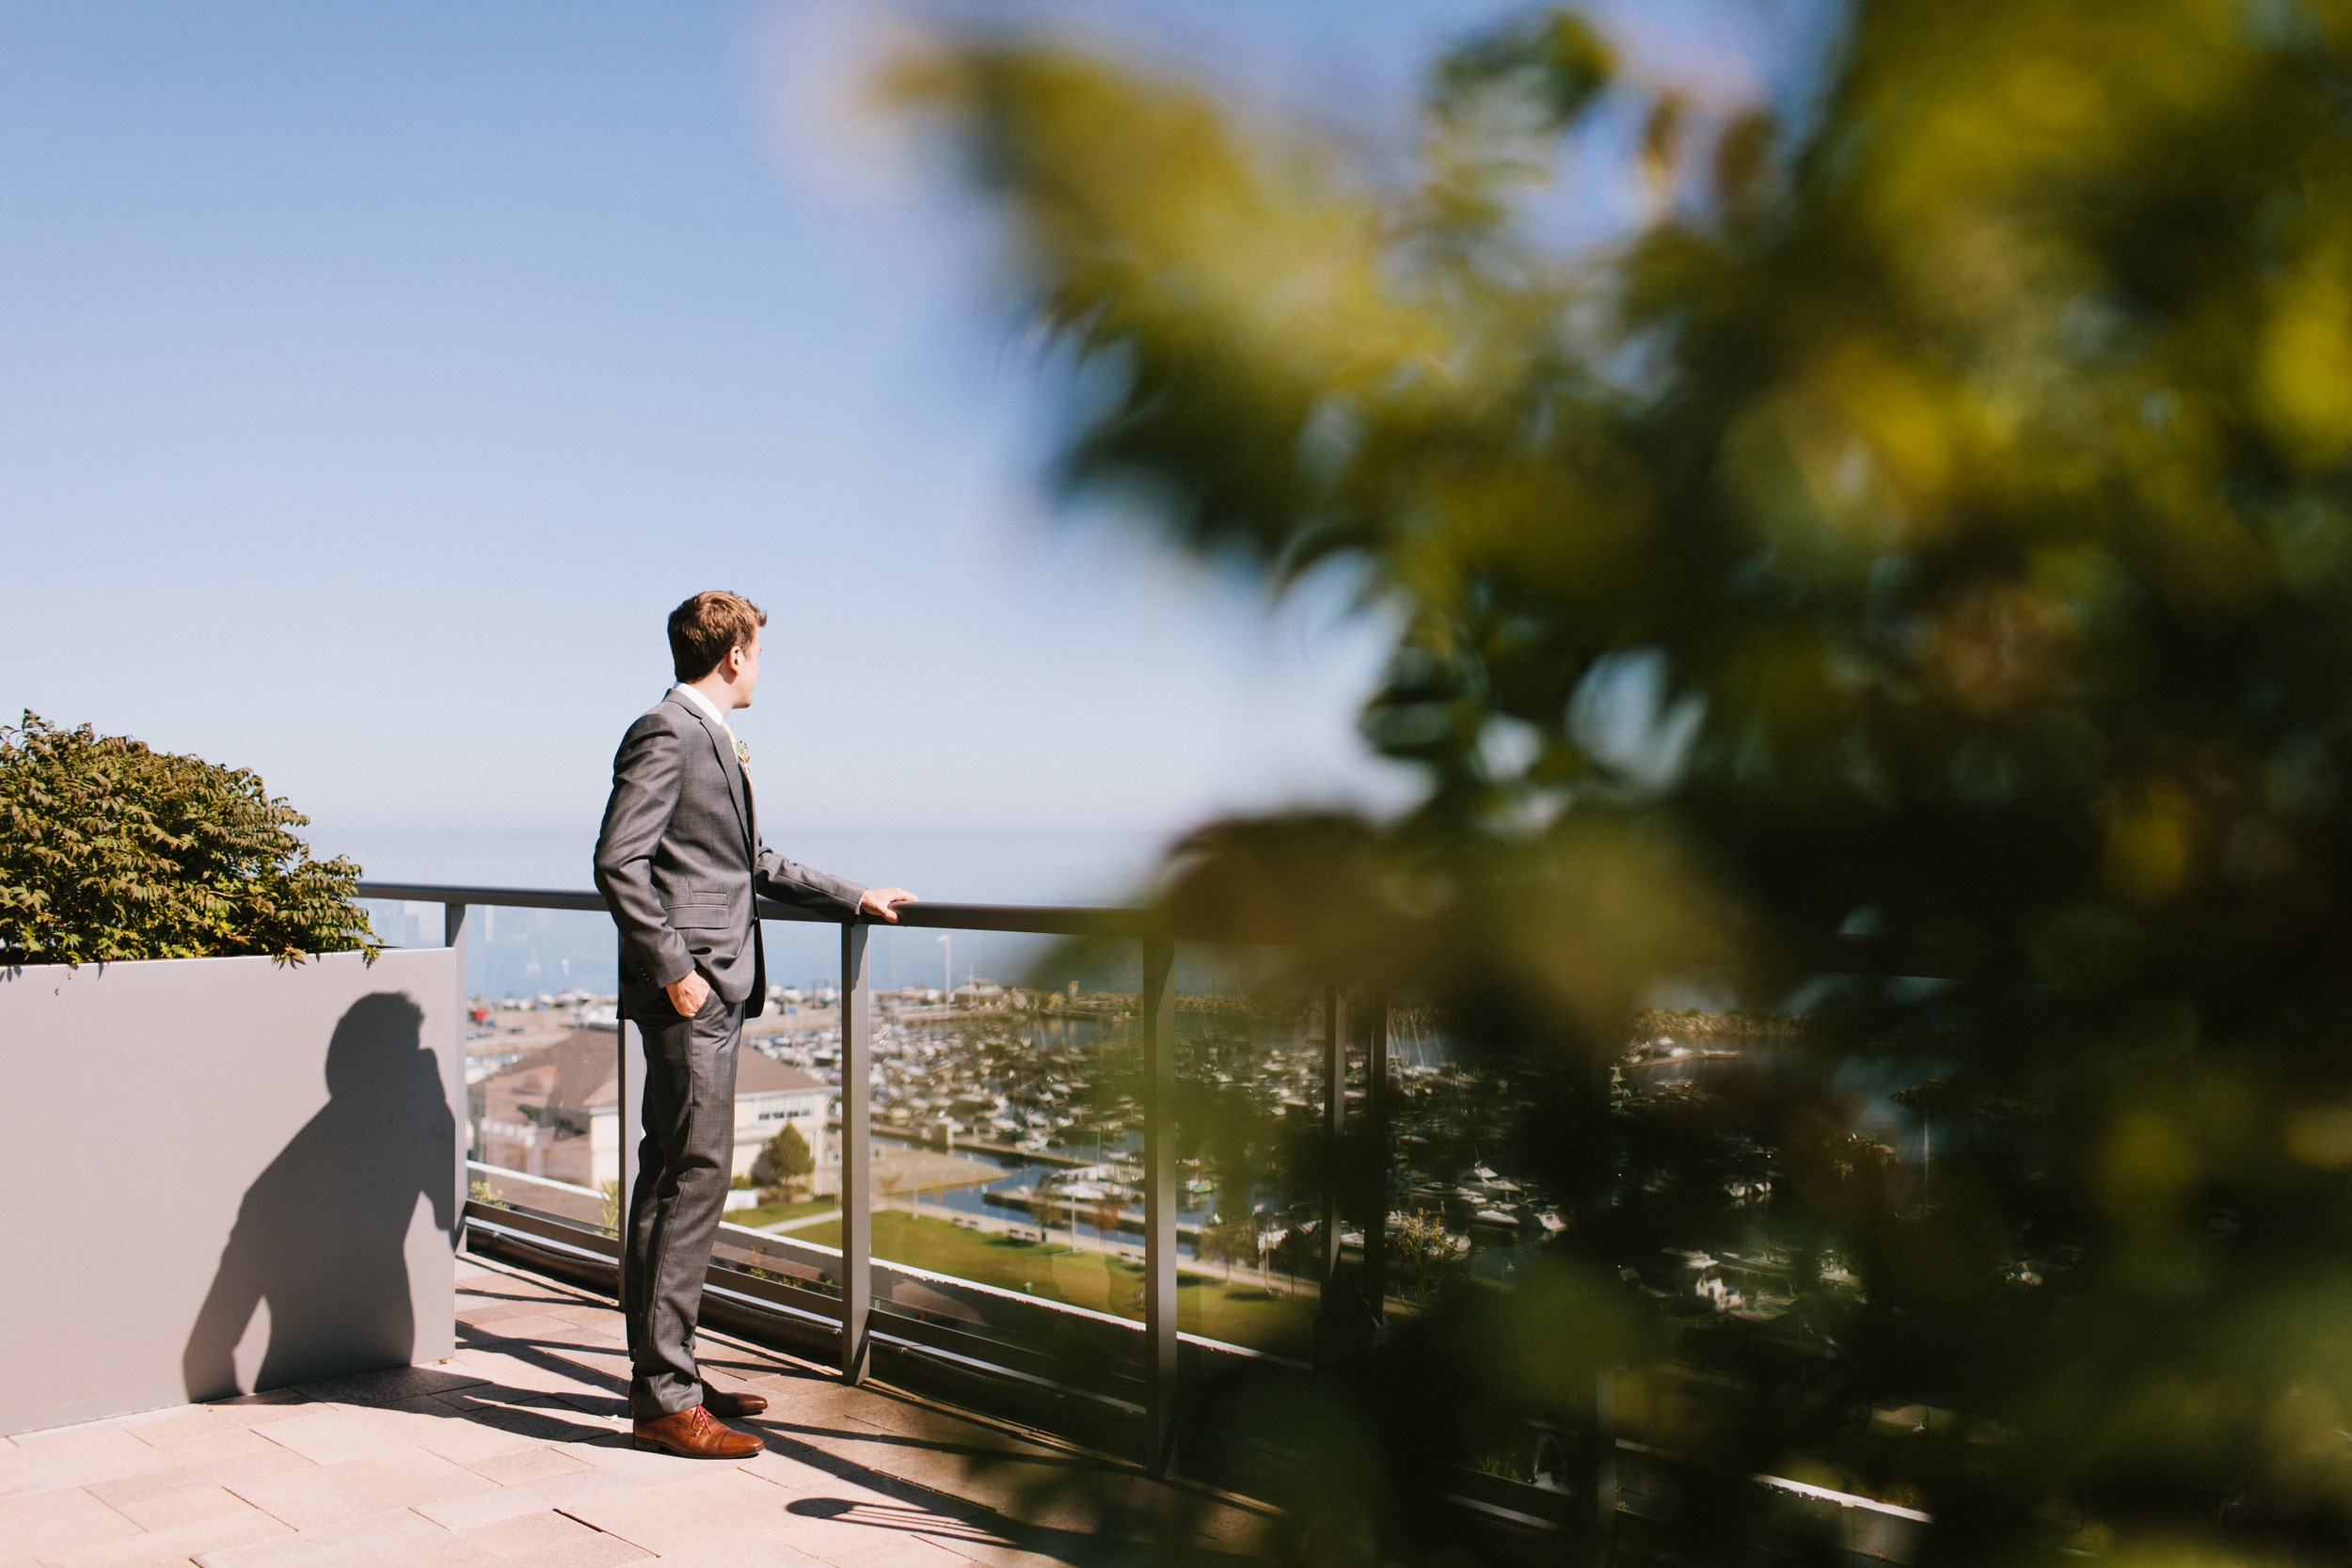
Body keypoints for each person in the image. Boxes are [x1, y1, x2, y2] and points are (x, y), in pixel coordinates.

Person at [593, 590, 914, 1458]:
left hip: (711, 990)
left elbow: (751, 862)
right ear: (733, 655)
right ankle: (664, 1396)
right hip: (692, 996)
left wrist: (854, 894)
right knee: (688, 1180)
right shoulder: (667, 731)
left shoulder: (706, 736)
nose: (762, 666)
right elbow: (617, 860)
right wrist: (678, 975)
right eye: (759, 651)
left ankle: (672, 1375)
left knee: (671, 1177)